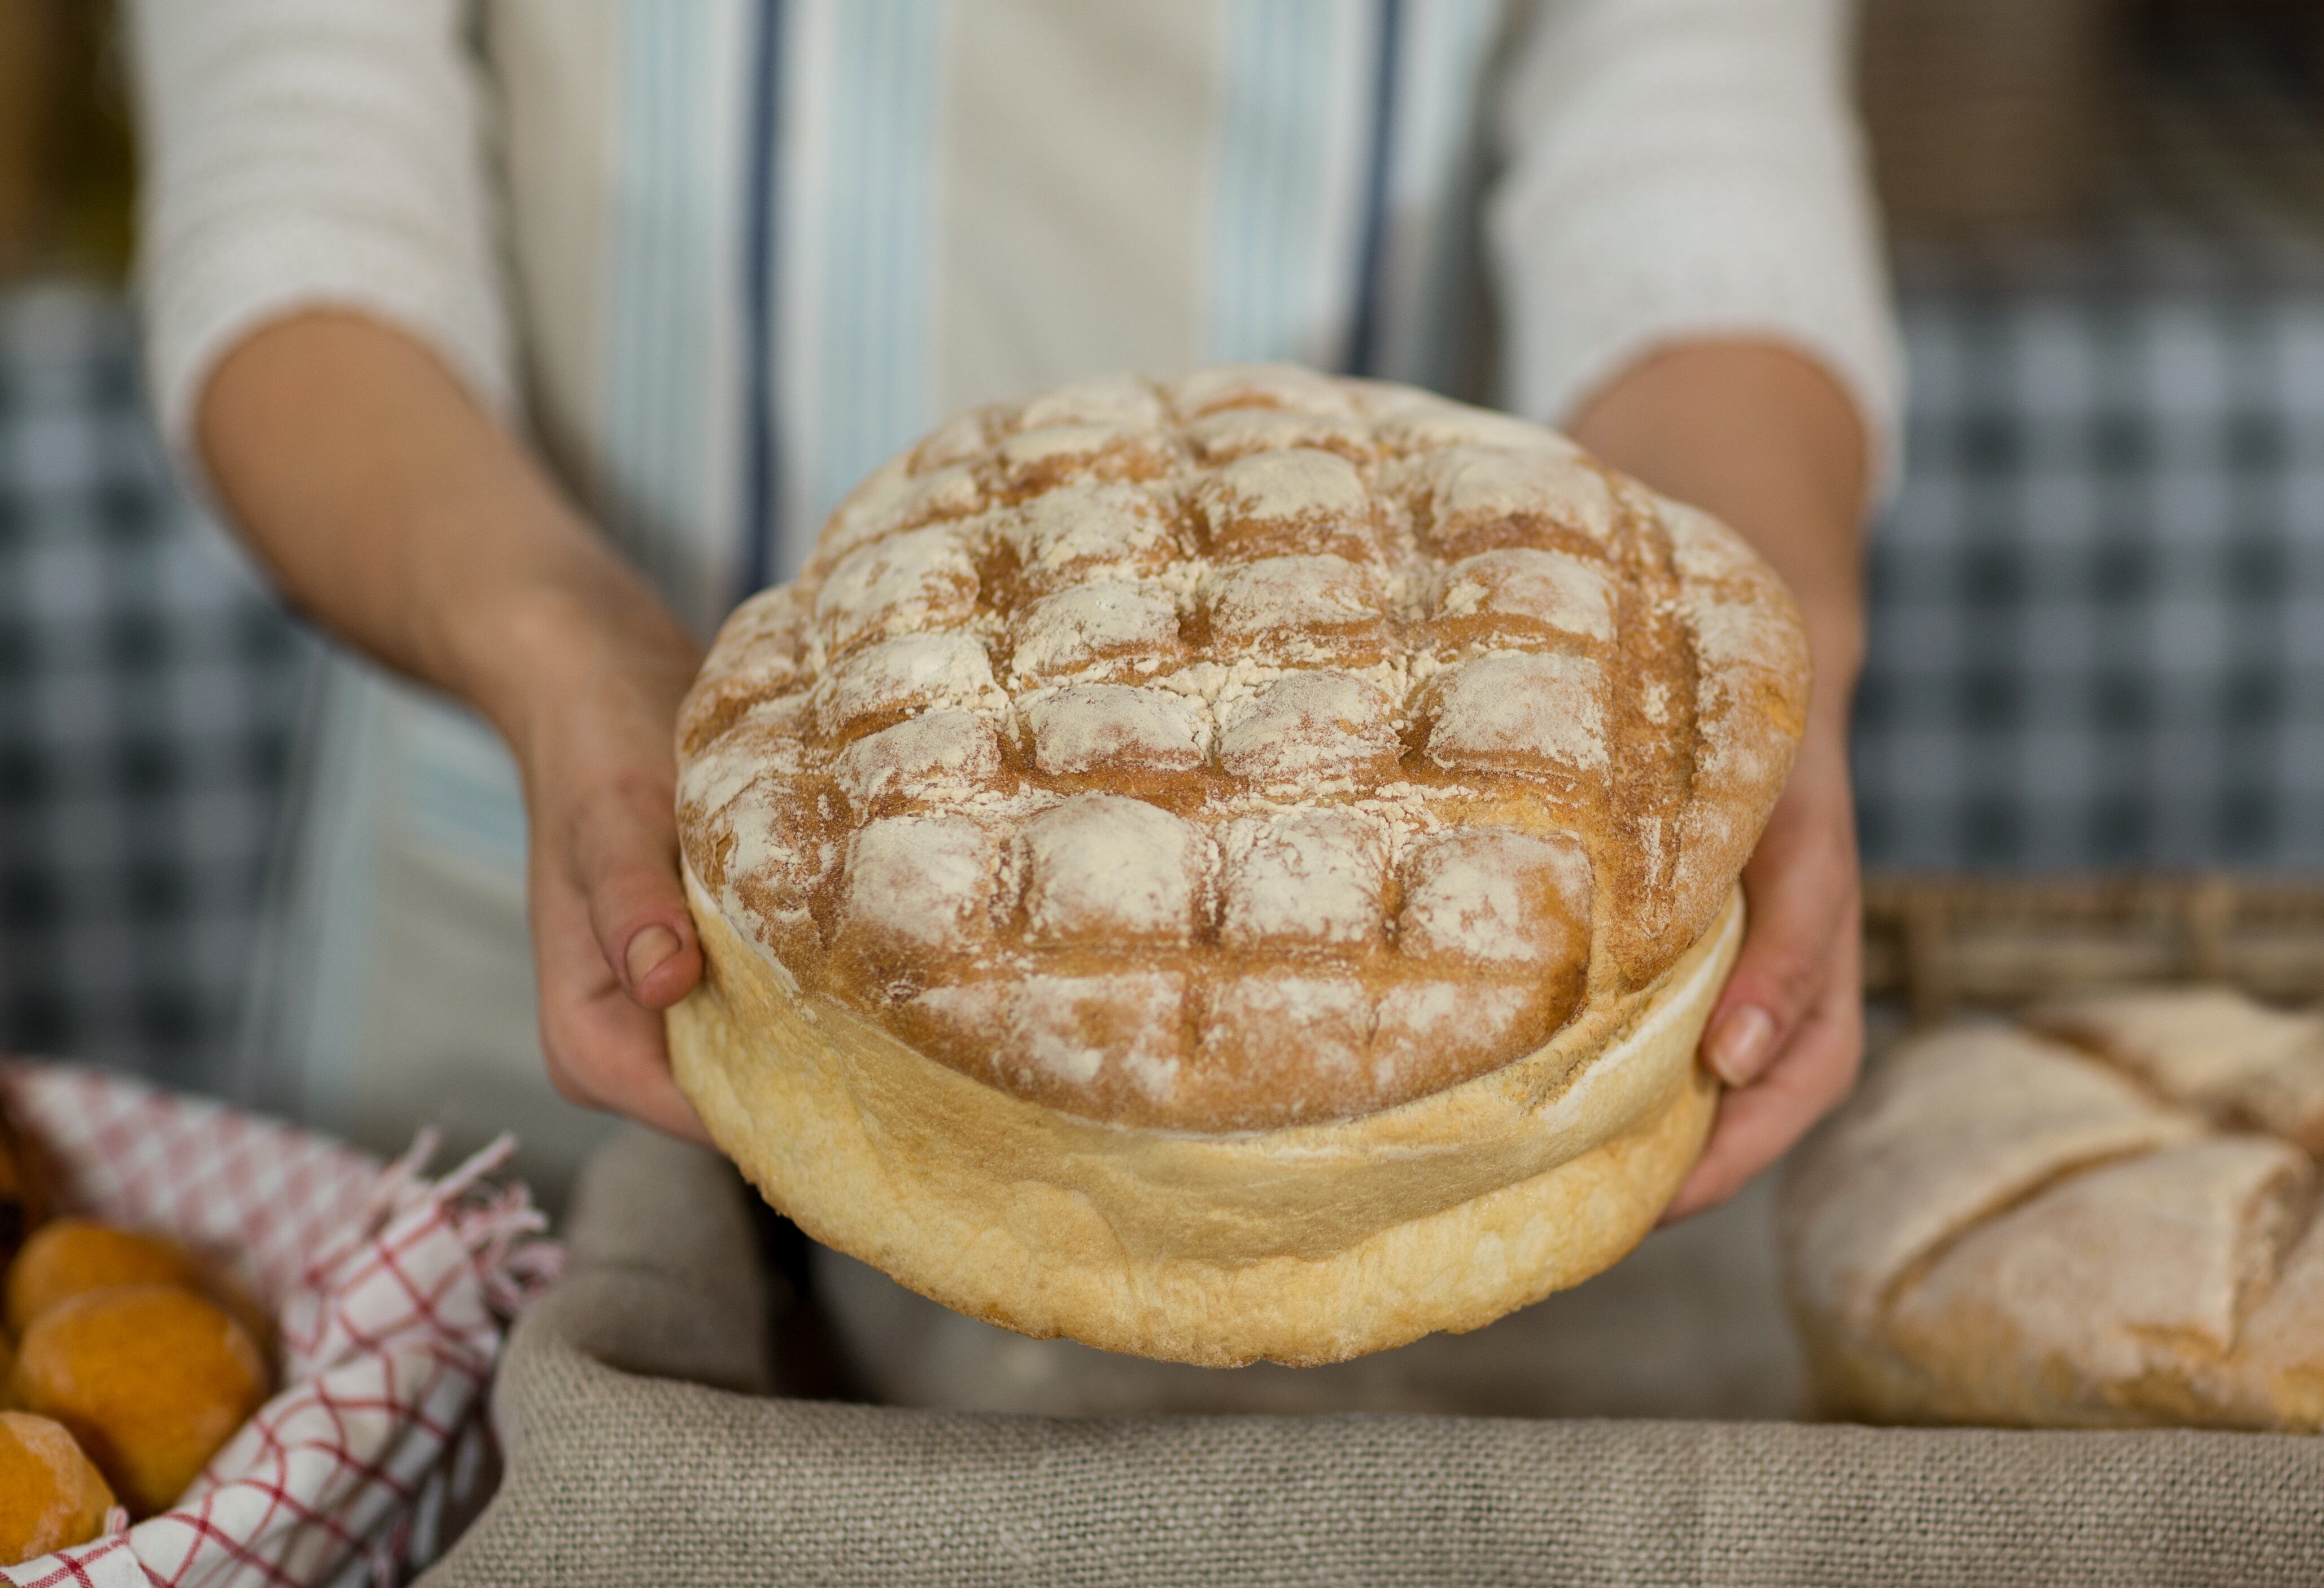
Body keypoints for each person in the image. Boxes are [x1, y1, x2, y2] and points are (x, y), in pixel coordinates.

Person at [128, 1, 1893, 1234]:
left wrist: (1732, 675)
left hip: (1386, 981)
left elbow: (1687, 168)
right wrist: (558, 651)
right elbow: (299, 192)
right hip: (563, 890)